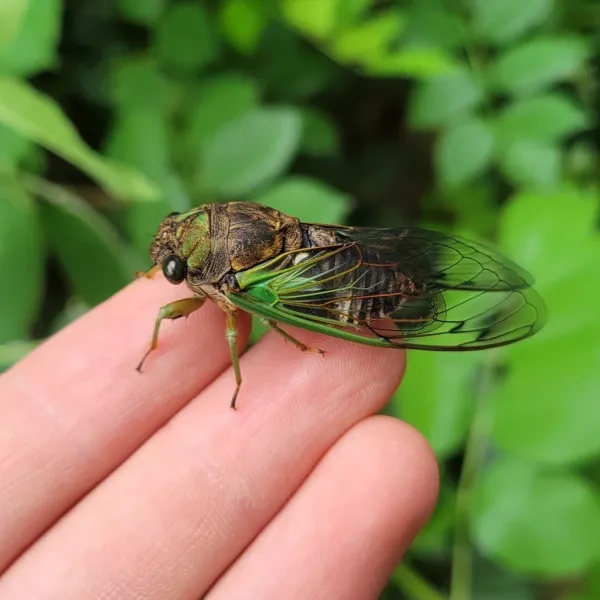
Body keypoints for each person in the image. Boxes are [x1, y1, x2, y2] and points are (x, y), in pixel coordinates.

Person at [0, 274, 438, 599]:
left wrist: (288, 347)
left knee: (259, 306)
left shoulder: (226, 283)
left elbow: (267, 316)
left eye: (173, 270)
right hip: (327, 259)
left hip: (321, 287)